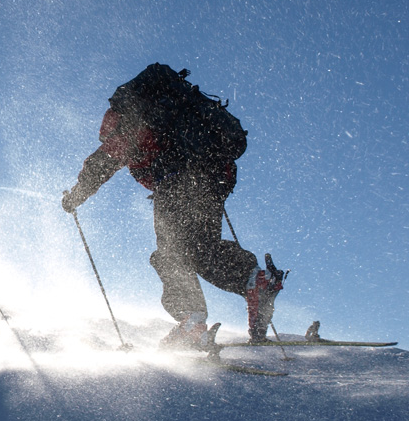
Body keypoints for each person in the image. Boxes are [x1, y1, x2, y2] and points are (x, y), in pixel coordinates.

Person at [60, 63, 285, 347]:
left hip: (177, 182)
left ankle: (192, 322)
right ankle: (255, 281)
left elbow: (106, 158)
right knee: (201, 250)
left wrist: (77, 194)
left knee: (171, 254)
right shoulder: (182, 109)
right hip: (212, 180)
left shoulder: (133, 118)